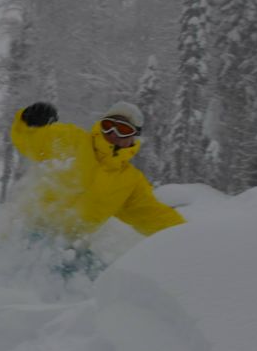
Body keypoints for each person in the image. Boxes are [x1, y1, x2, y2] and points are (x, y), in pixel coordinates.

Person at [10, 100, 185, 277]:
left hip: (69, 246)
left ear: (134, 136)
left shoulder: (129, 181)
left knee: (105, 278)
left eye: (123, 129)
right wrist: (31, 124)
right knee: (42, 269)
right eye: (108, 126)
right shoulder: (73, 140)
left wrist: (187, 236)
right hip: (33, 233)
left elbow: (154, 216)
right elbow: (34, 143)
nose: (114, 133)